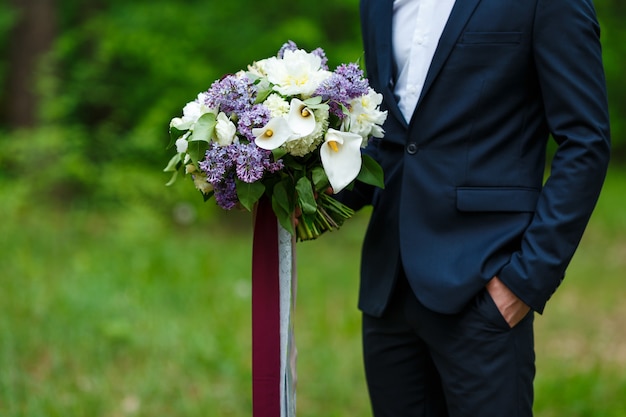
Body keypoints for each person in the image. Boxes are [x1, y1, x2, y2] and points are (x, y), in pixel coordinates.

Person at [338, 0, 611, 415]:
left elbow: (586, 143)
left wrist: (525, 281)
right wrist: (311, 199)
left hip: (484, 283)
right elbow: (390, 139)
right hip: (388, 289)